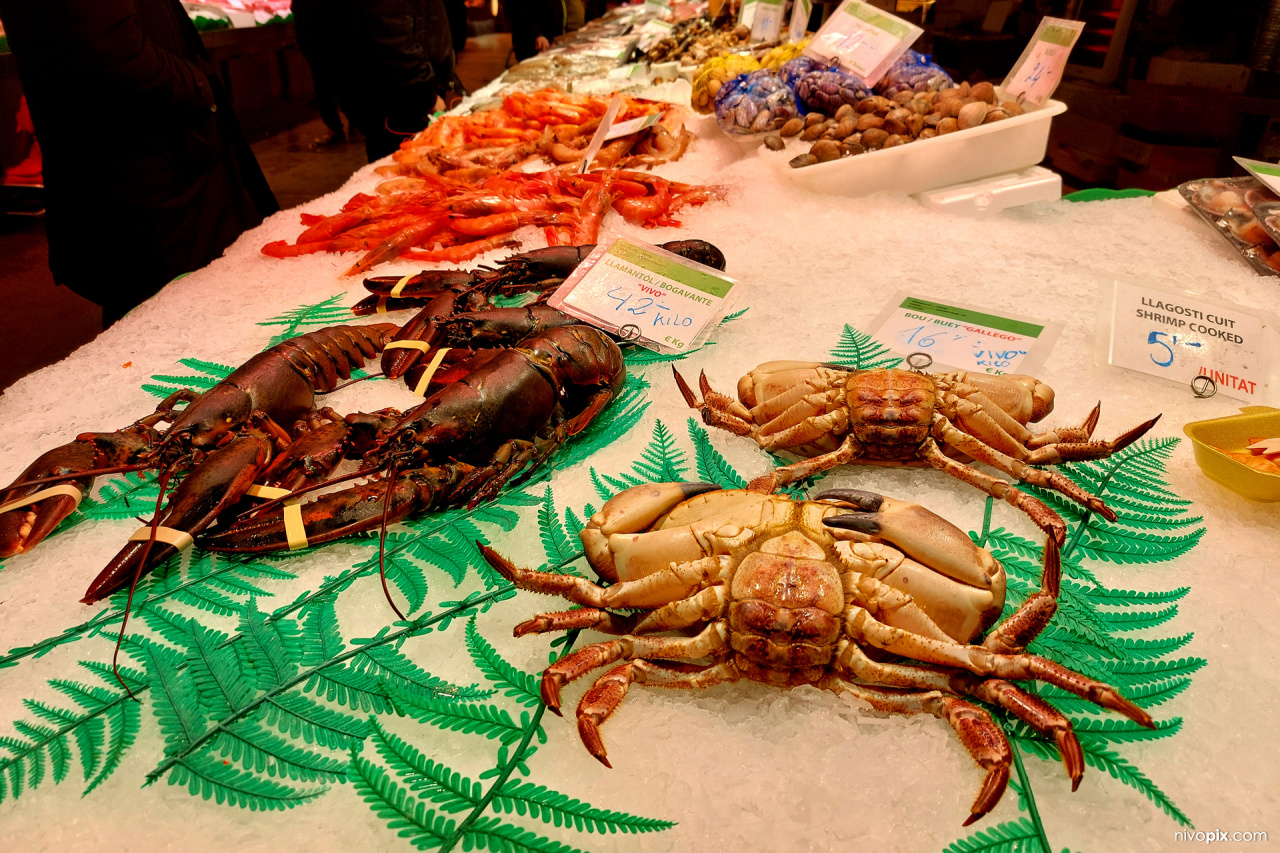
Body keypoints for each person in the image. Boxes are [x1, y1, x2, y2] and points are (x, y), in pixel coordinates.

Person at [0, 0, 279, 327]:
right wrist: (198, 84)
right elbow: (111, 48)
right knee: (183, 331)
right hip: (153, 184)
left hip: (151, 175)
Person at [296, 0, 456, 162]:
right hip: (399, 100)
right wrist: (426, 96)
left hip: (406, 92)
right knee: (404, 170)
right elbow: (391, 37)